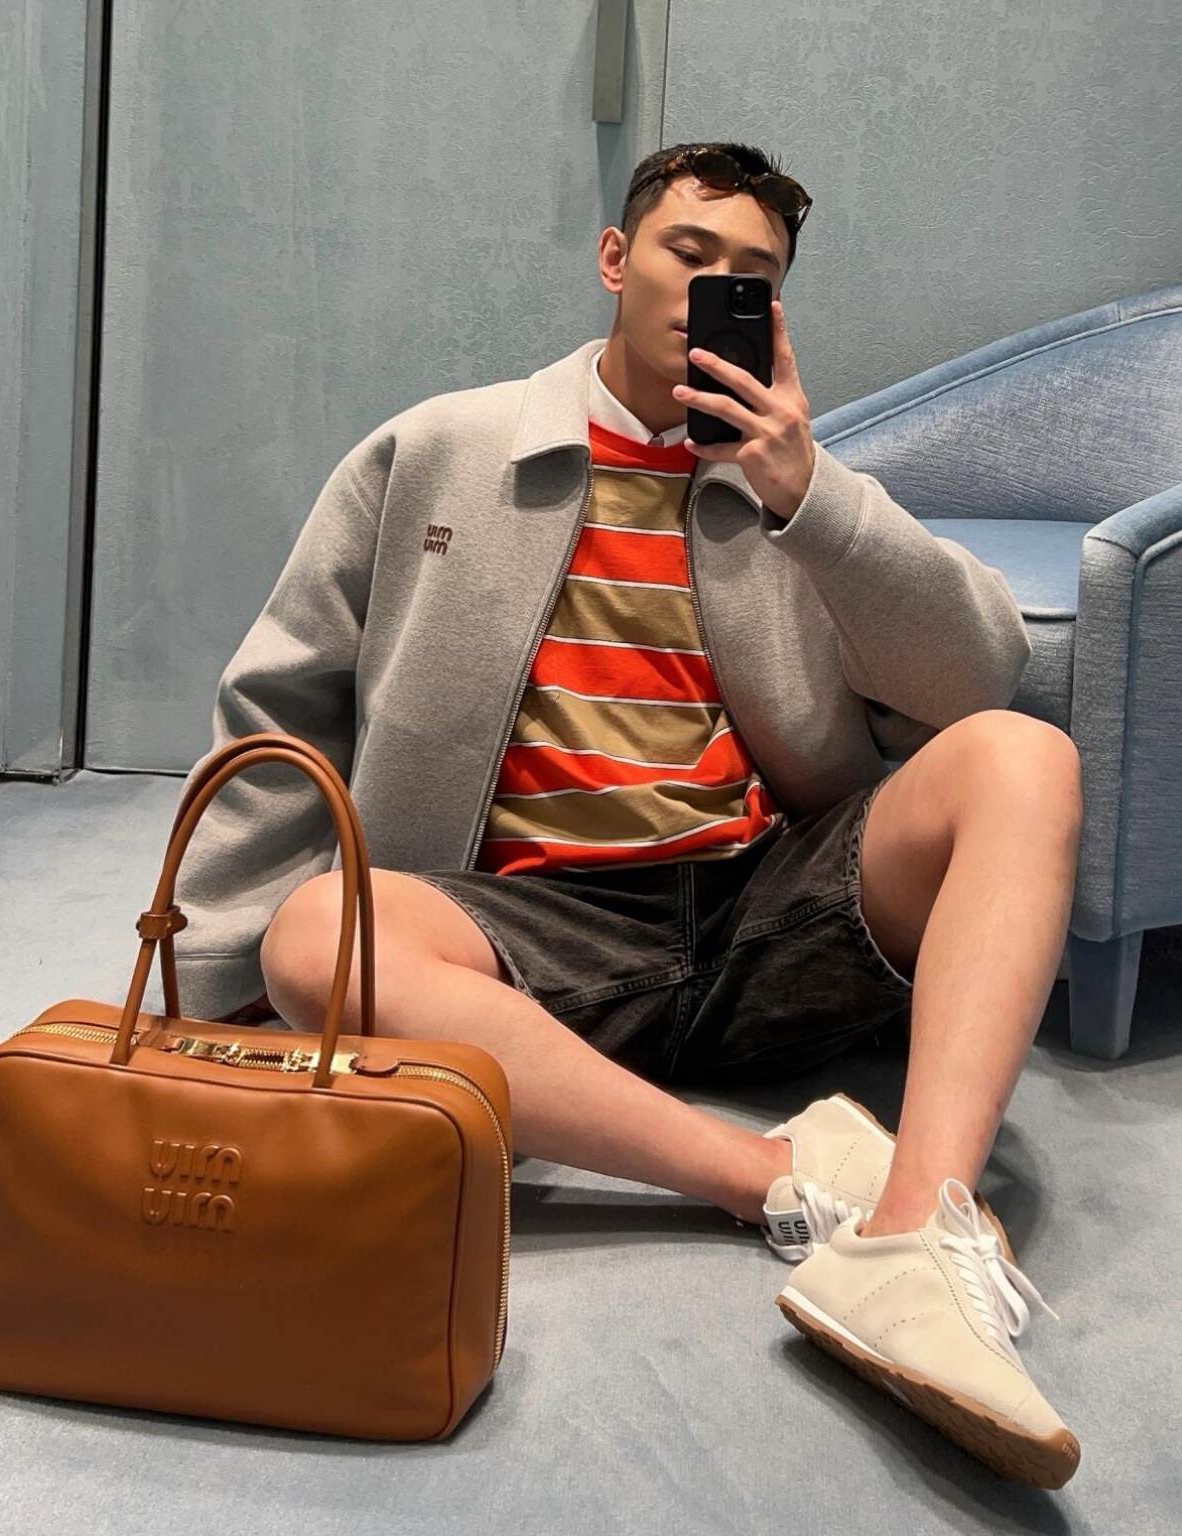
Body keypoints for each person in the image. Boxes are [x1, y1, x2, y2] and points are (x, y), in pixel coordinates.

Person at [173, 142, 1083, 1488]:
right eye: (687, 253)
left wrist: (811, 499)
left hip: (759, 902)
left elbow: (976, 676)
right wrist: (220, 964)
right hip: (526, 931)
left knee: (1022, 757)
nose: (712, 287)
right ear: (615, 259)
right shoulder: (442, 449)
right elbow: (281, 701)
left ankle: (911, 1229)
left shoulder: (793, 479)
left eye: (752, 273)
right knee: (315, 939)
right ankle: (768, 1173)